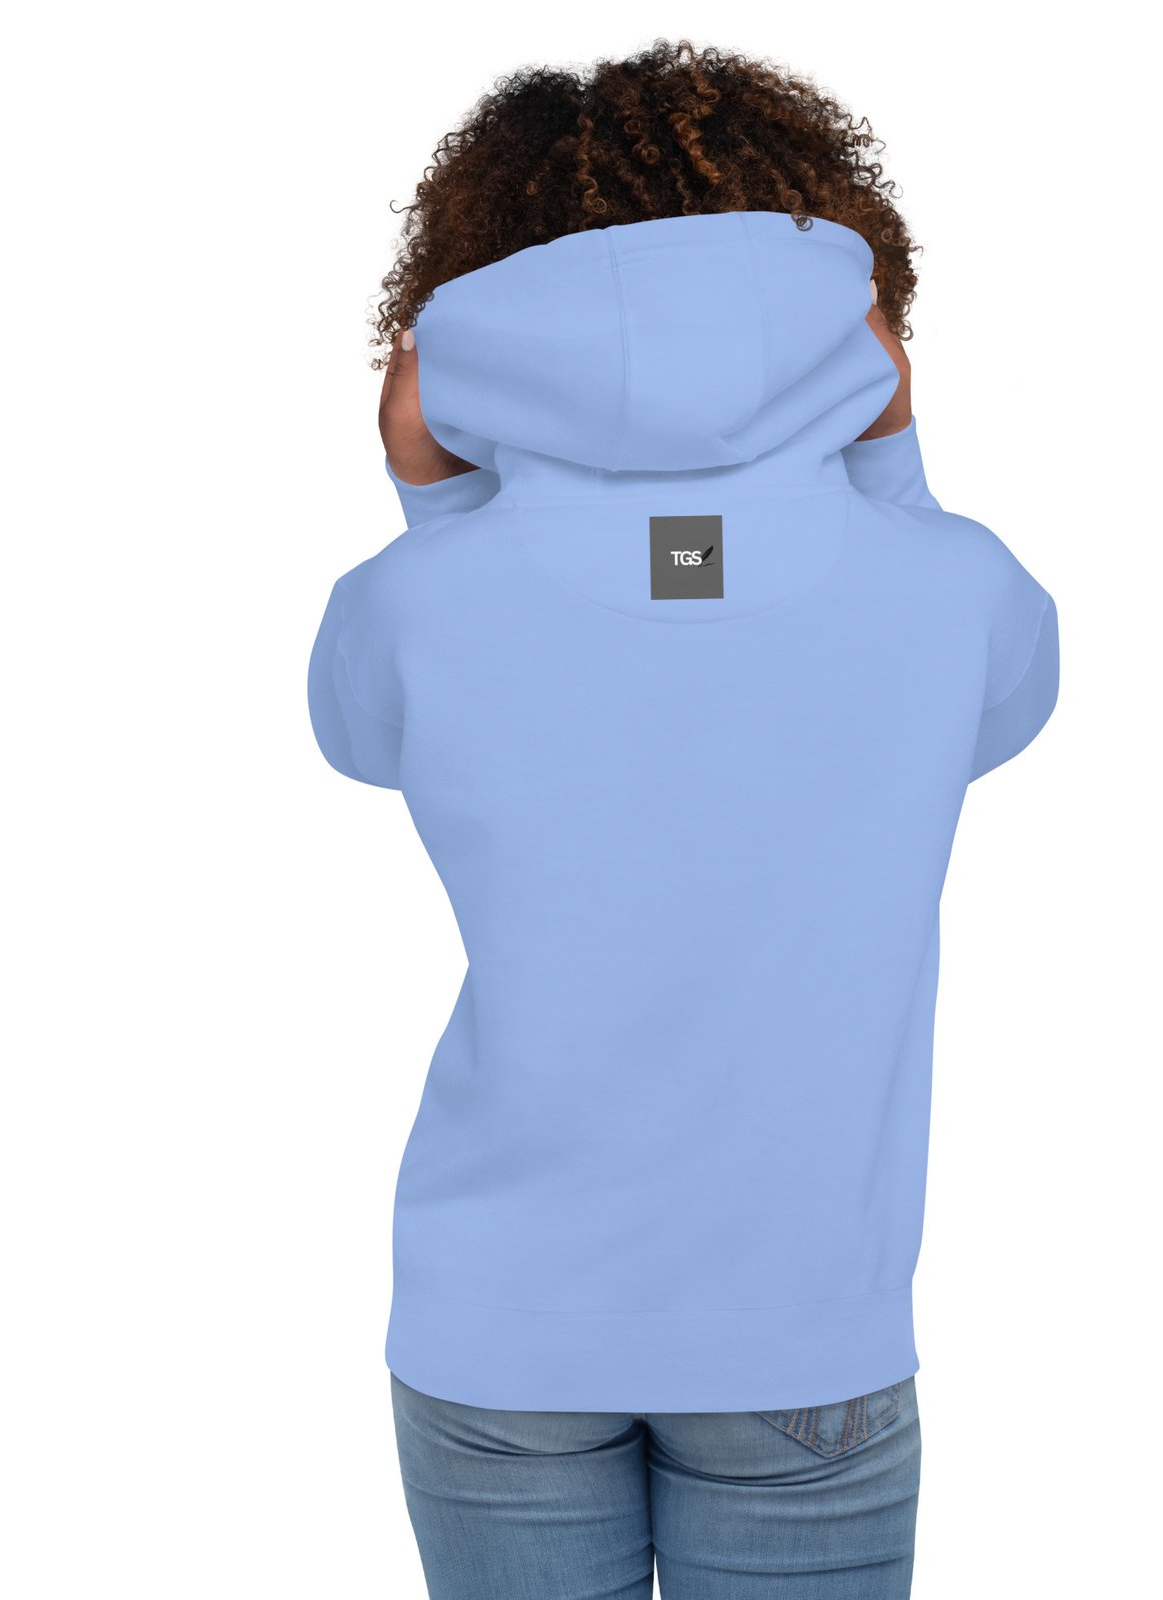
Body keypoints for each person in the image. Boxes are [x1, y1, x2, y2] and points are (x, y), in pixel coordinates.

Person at [308, 38, 1058, 1600]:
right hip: (801, 1329)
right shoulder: (950, 588)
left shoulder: (410, 602)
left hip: (496, 1325)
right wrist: (894, 471)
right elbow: (998, 711)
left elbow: (367, 737)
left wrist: (439, 505)